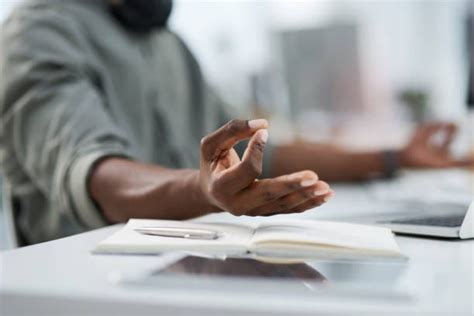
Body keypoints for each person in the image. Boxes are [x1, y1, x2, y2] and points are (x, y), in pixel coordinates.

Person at [0, 0, 471, 245]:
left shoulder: (169, 47)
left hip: (186, 258)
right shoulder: (38, 33)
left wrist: (395, 156)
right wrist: (203, 189)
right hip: (84, 281)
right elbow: (97, 175)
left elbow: (259, 148)